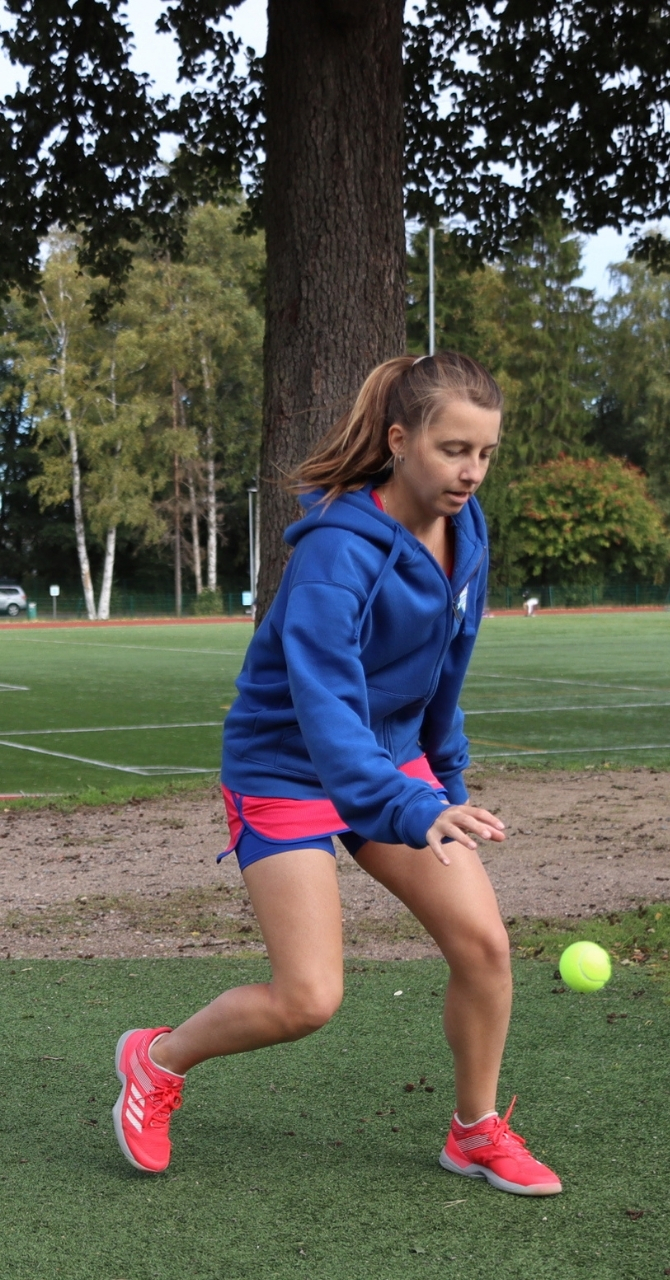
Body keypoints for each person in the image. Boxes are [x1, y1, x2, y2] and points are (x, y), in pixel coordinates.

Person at [110, 352, 563, 1197]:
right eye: (454, 449)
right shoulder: (335, 555)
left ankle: (474, 1132)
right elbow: (324, 713)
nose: (471, 472)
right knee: (308, 998)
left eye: (486, 453)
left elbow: (444, 673)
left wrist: (446, 788)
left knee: (484, 947)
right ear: (400, 441)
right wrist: (403, 804)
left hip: (390, 761)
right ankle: (156, 1059)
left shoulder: (468, 532)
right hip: (286, 767)